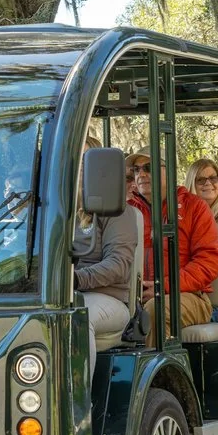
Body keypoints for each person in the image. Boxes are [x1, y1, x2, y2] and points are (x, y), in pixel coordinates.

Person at [128, 150, 218, 328]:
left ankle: (155, 357)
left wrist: (163, 286)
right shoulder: (128, 210)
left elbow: (208, 263)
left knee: (156, 310)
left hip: (187, 295)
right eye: (136, 169)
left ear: (168, 170)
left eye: (148, 167)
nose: (141, 174)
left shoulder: (194, 207)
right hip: (134, 295)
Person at [72, 153, 141, 365]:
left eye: (83, 162)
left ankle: (80, 398)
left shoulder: (117, 211)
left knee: (77, 317)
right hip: (59, 297)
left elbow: (118, 265)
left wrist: (76, 279)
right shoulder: (55, 213)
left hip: (107, 299)